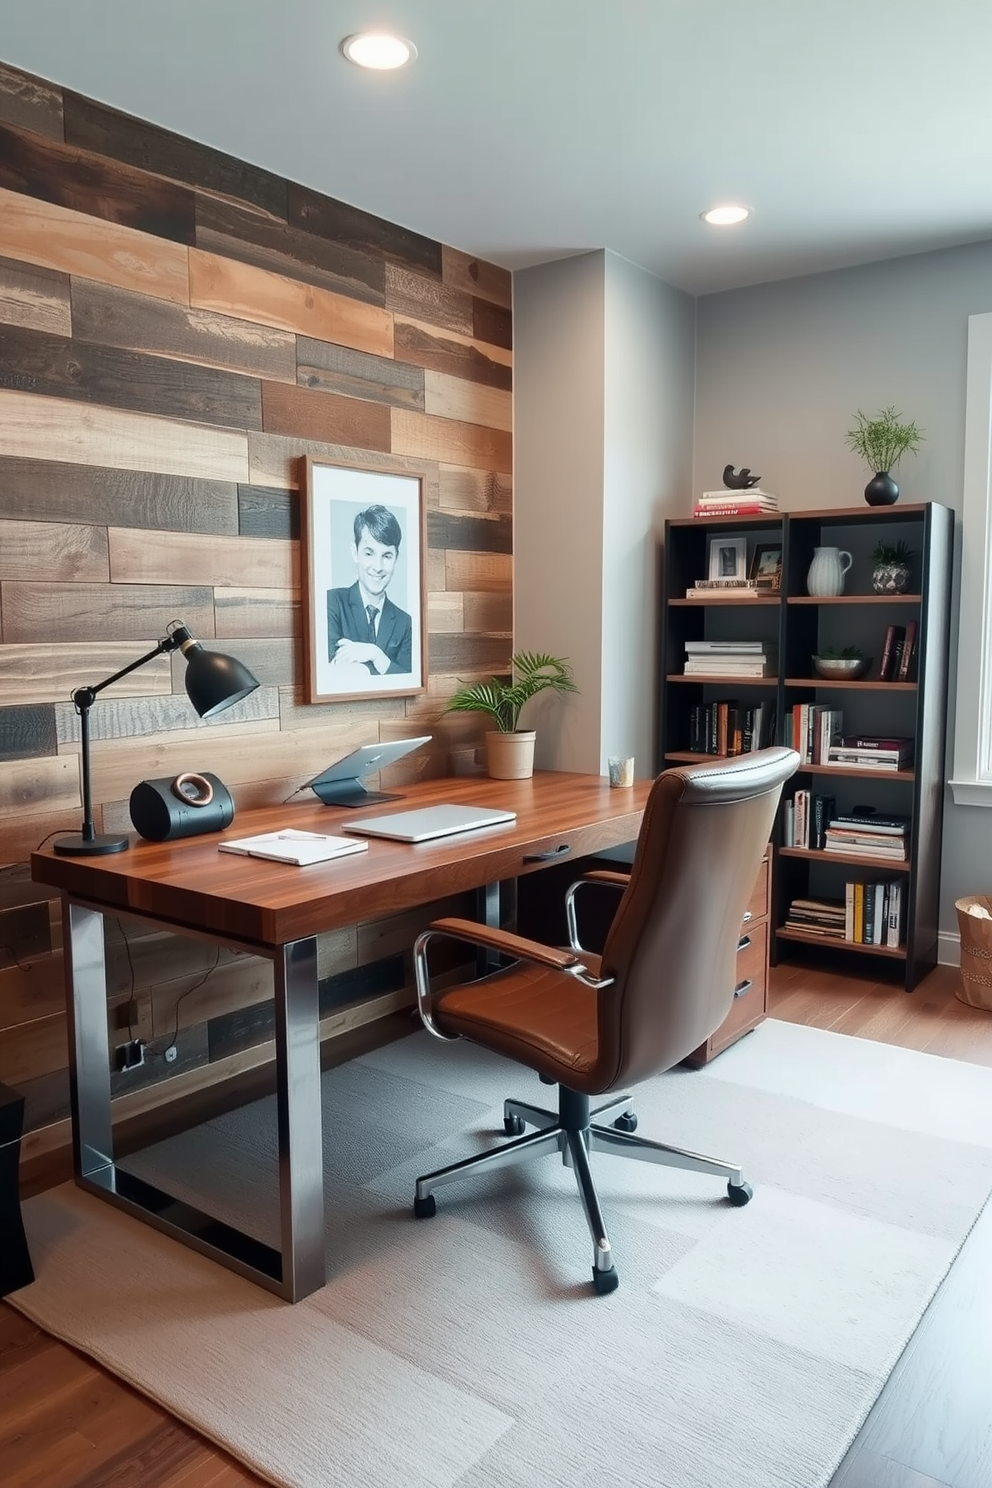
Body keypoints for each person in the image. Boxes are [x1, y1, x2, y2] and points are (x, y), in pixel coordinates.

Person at [326, 505, 412, 675]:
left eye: (387, 555)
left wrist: (375, 654)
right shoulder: (331, 602)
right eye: (369, 553)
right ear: (355, 552)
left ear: (396, 558)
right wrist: (387, 666)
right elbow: (333, 673)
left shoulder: (405, 622)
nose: (378, 567)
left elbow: (407, 679)